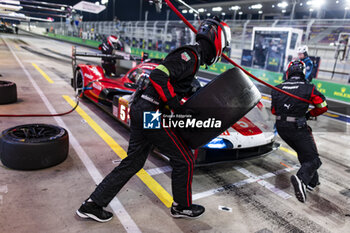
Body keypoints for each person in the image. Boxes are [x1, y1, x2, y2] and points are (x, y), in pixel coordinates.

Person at [76, 17, 231, 222]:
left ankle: (92, 205)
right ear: (217, 40)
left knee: (133, 163)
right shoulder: (189, 55)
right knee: (184, 159)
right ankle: (181, 207)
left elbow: (177, 82)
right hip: (150, 112)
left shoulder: (191, 59)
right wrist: (174, 103)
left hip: (143, 110)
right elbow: (159, 76)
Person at [271, 60, 328, 203]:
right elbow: (323, 106)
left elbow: (273, 110)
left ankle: (312, 182)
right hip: (297, 128)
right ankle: (301, 179)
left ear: (288, 72)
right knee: (314, 159)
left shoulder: (278, 88)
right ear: (303, 72)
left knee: (305, 153)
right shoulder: (309, 88)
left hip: (281, 128)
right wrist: (308, 114)